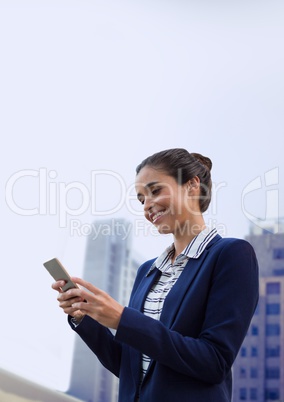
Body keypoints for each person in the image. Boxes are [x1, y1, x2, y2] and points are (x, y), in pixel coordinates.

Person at [52, 148, 259, 402]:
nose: (147, 205)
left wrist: (122, 319)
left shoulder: (231, 254)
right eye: (141, 200)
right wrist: (85, 317)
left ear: (192, 186)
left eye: (155, 190)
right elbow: (129, 367)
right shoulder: (148, 271)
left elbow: (214, 362)